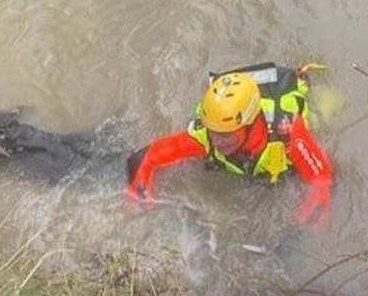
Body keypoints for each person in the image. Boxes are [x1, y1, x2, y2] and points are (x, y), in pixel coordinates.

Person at [126, 62, 334, 228]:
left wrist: (314, 205)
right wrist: (141, 196)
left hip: (297, 111)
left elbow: (321, 178)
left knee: (331, 110)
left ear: (250, 124)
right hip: (254, 155)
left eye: (226, 135)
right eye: (214, 133)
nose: (218, 141)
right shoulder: (204, 136)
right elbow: (147, 157)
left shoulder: (288, 131)